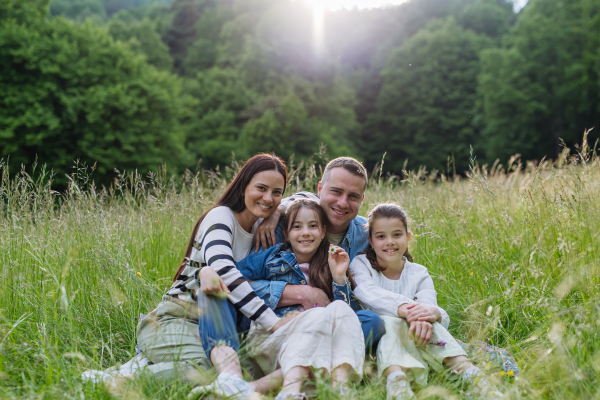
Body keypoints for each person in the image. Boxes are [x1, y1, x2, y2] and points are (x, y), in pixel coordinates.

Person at [136, 154, 297, 395]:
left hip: (220, 323)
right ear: (243, 186)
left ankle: (145, 363)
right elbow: (224, 269)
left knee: (237, 371)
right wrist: (273, 324)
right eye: (261, 188)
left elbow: (310, 198)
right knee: (212, 373)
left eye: (277, 192)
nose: (268, 198)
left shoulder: (261, 224)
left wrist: (278, 212)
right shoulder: (222, 217)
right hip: (177, 318)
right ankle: (123, 377)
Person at [192, 198, 366, 400]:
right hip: (272, 337)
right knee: (319, 314)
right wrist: (206, 271)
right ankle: (290, 391)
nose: (305, 232)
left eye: (313, 226)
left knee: (340, 310)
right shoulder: (271, 258)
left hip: (315, 341)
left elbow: (350, 319)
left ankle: (338, 390)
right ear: (286, 234)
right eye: (297, 227)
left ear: (323, 232)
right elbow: (232, 278)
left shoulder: (330, 262)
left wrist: (339, 278)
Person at [349, 204, 503, 400]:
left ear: (408, 237)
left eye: (397, 235)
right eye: (381, 236)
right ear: (370, 240)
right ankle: (397, 383)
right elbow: (367, 292)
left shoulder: (419, 272)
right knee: (388, 319)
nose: (389, 242)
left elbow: (428, 305)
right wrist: (408, 310)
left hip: (418, 341)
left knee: (427, 316)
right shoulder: (361, 265)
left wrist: (429, 314)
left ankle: (473, 377)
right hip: (383, 349)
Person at [249, 157, 384, 346]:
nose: (343, 203)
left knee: (372, 322)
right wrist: (300, 293)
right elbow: (238, 283)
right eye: (336, 192)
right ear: (320, 189)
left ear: (362, 199)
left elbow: (396, 273)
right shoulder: (281, 228)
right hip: (286, 321)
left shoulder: (369, 236)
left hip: (333, 321)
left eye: (353, 196)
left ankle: (323, 362)